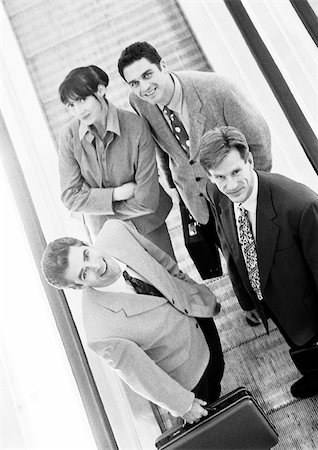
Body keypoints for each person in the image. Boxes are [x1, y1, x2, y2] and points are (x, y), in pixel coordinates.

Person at [41, 219, 224, 422]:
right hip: (191, 373)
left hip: (199, 318)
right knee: (216, 411)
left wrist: (196, 295)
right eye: (84, 273)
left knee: (220, 370)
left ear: (86, 244)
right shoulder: (100, 333)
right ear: (77, 286)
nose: (96, 265)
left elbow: (164, 263)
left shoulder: (116, 231)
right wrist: (183, 405)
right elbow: (142, 377)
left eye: (86, 255)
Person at [117, 41, 272, 279]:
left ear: (164, 66)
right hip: (197, 200)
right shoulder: (138, 101)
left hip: (237, 193)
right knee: (234, 260)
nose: (144, 87)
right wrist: (176, 188)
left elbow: (258, 142)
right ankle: (251, 306)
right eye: (134, 83)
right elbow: (163, 146)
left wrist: (252, 193)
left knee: (264, 261)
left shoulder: (218, 89)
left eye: (148, 75)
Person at [199, 125, 318, 399]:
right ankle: (313, 374)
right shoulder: (216, 191)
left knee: (309, 342)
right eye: (220, 177)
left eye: (236, 172)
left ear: (250, 161)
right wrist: (247, 300)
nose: (230, 185)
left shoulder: (300, 205)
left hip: (307, 308)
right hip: (268, 296)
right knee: (298, 346)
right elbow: (229, 246)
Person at [58, 65, 174, 258]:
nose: (78, 110)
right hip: (108, 236)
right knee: (132, 287)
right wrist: (116, 194)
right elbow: (70, 198)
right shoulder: (69, 136)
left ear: (101, 90)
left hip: (149, 226)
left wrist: (96, 203)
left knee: (173, 283)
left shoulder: (136, 127)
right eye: (71, 105)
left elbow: (147, 201)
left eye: (82, 99)